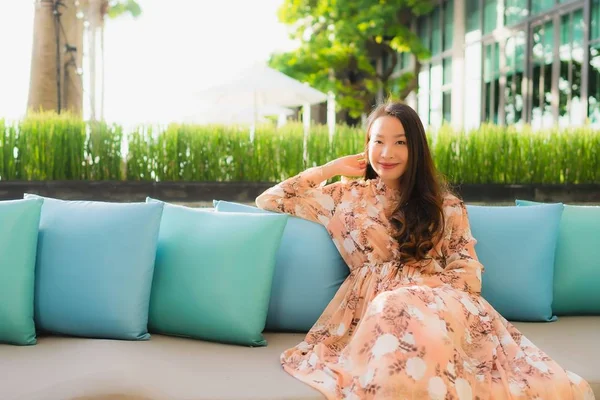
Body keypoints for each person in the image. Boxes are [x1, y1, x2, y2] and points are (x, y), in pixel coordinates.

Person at [255, 101, 594, 400]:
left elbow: (467, 268)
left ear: (415, 149)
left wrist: (425, 294)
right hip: (373, 307)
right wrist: (329, 170)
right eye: (378, 141)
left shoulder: (444, 205)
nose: (387, 153)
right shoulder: (343, 199)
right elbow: (271, 199)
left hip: (438, 303)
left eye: (400, 143)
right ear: (367, 146)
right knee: (391, 309)